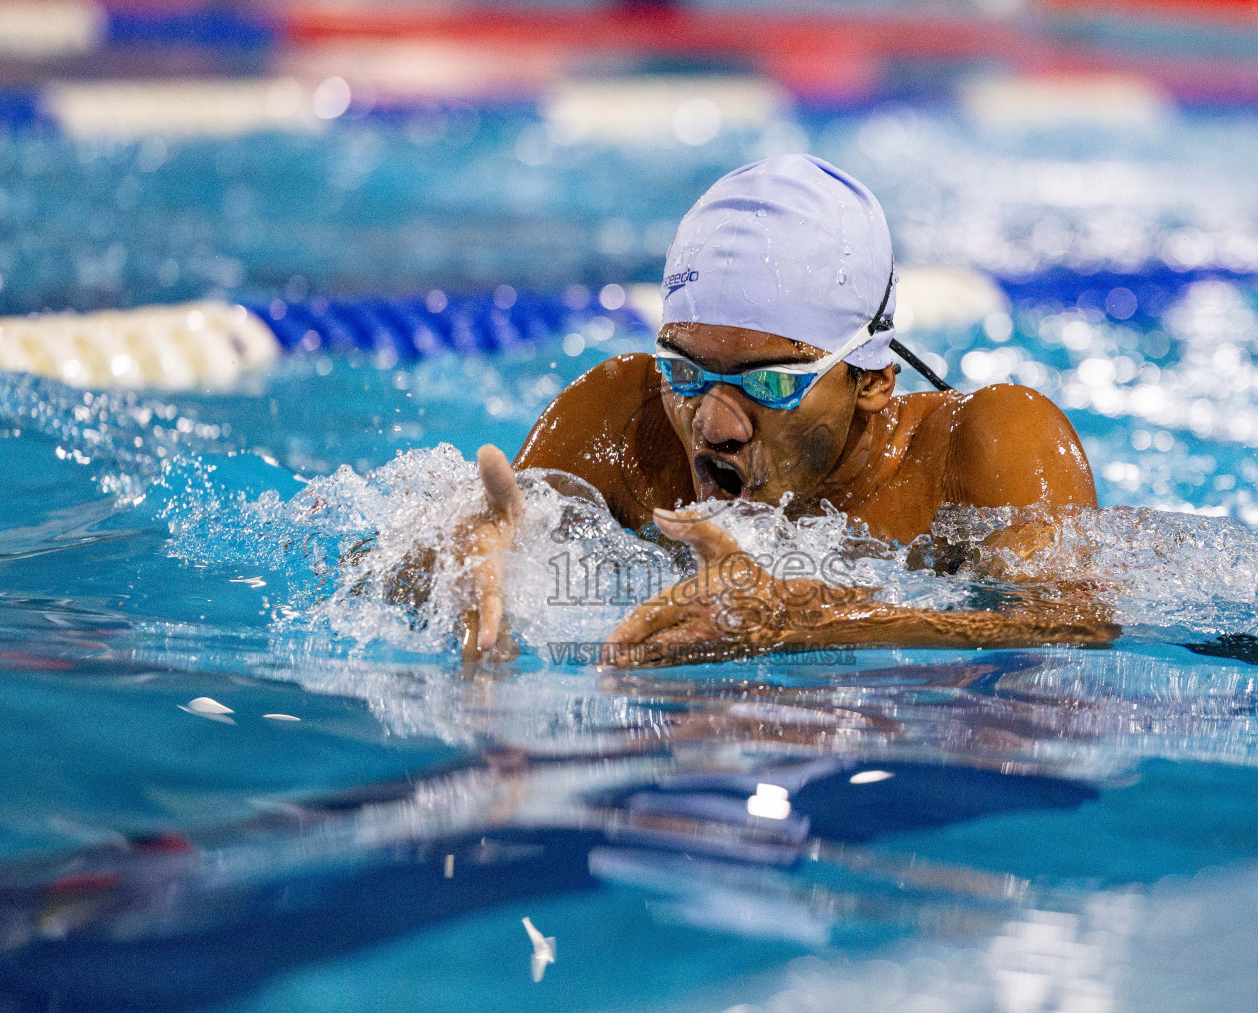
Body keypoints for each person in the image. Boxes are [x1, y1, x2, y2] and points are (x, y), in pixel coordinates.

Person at [450, 154, 1108, 667]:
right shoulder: (626, 421)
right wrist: (443, 563)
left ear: (873, 382)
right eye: (685, 370)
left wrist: (816, 624)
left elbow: (1078, 629)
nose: (714, 426)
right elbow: (459, 575)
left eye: (769, 383)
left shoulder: (986, 446)